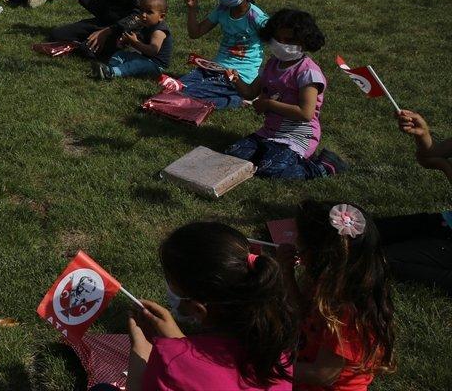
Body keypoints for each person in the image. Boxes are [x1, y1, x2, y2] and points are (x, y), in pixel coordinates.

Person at [124, 221, 295, 391]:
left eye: (172, 285)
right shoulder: (277, 355)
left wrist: (141, 350)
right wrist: (177, 339)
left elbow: (188, 372)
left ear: (198, 309)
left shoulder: (171, 363)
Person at [285, 200, 396, 391]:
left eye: (299, 238)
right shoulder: (326, 283)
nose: (295, 243)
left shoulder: (350, 314)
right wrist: (286, 272)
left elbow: (323, 374)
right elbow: (302, 312)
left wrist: (271, 369)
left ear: (319, 254)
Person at [224, 9, 346, 179]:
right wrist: (236, 79)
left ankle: (323, 167)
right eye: (277, 39)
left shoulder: (307, 72)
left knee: (270, 169)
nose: (281, 44)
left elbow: (306, 113)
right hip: (269, 133)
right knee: (233, 155)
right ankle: (272, 151)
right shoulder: (272, 64)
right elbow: (250, 92)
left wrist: (268, 104)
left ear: (304, 42)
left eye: (288, 41)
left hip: (297, 136)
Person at [376, 110, 452, 293]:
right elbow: (429, 156)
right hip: (445, 224)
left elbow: (438, 161)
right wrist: (423, 134)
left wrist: (445, 166)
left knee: (381, 260)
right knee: (368, 231)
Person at [178, 0, 266, 108]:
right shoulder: (222, 10)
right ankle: (233, 96)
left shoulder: (256, 17)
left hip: (238, 77)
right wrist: (192, 9)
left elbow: (276, 37)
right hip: (214, 68)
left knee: (187, 95)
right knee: (175, 87)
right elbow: (195, 33)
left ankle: (238, 100)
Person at [93, 0, 172, 80]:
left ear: (161, 17)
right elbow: (138, 42)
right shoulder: (145, 26)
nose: (144, 15)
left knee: (138, 64)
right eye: (142, 11)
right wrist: (126, 41)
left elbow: (152, 51)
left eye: (149, 12)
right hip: (144, 59)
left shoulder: (159, 31)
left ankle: (112, 72)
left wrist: (135, 43)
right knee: (121, 55)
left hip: (156, 66)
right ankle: (109, 68)